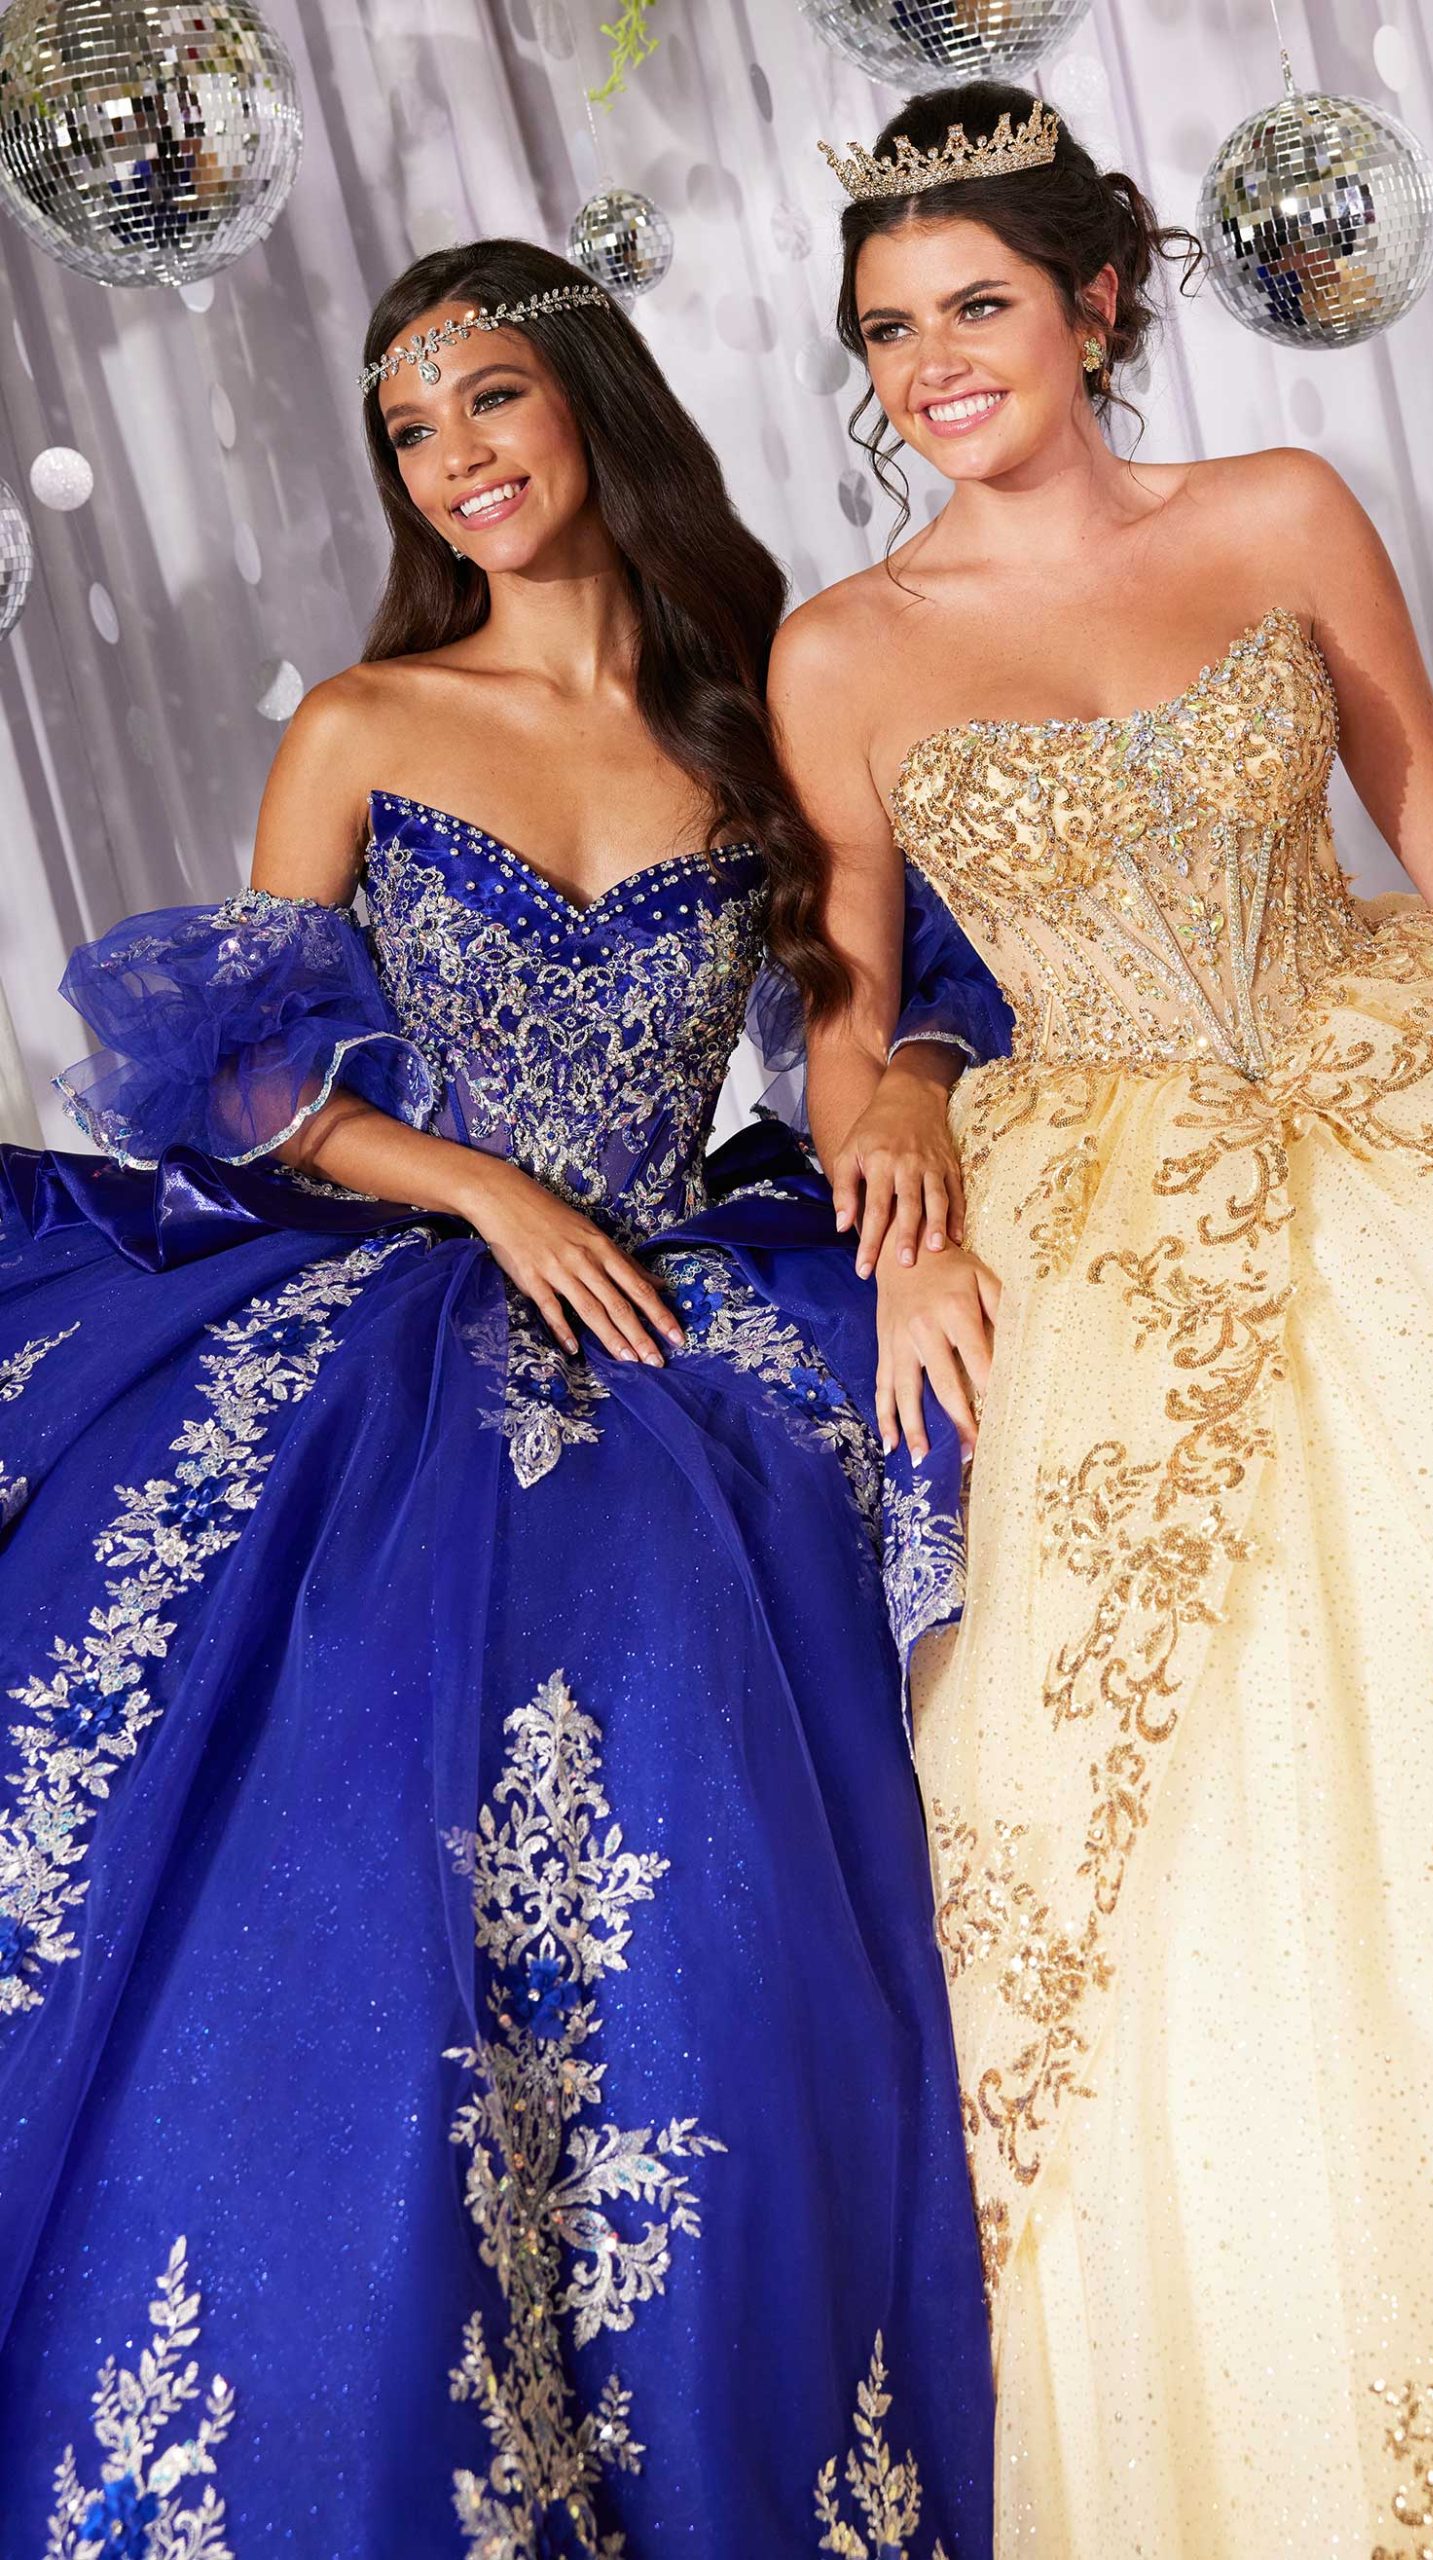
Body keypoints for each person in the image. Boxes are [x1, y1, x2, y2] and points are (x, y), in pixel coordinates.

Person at [770, 81, 1433, 2560]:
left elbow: (1428, 809)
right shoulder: (843, 644)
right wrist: (895, 1203)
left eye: (976, 305)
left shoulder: (1273, 512)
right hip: (1093, 1163)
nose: (933, 364)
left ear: (1093, 300)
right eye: (889, 331)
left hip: (1376, 1039)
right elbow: (848, 997)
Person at [0, 238, 993, 2559]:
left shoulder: (761, 699)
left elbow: (890, 982)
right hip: (423, 1302)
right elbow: (237, 1073)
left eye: (490, 400)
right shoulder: (363, 720)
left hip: (685, 1284)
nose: (454, 458)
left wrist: (911, 1092)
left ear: (590, 406)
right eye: (409, 429)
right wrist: (480, 1190)